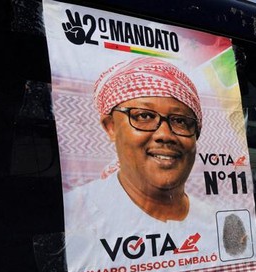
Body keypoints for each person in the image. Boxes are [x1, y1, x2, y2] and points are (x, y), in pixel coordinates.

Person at [65, 56, 212, 229]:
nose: (165, 135)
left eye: (180, 121)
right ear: (111, 126)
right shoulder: (74, 216)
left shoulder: (216, 221)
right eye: (144, 116)